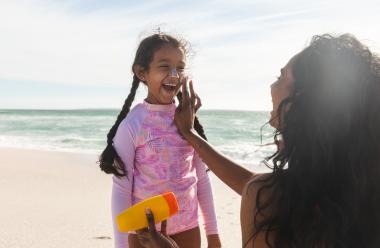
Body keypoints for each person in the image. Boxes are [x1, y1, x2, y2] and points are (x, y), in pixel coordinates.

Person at [137, 34, 380, 248]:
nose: (271, 85)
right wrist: (191, 136)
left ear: (302, 101)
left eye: (281, 76)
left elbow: (263, 191)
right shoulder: (355, 185)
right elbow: (263, 186)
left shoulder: (267, 203)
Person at [98, 33, 221, 248]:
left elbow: (201, 178)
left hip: (188, 228)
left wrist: (212, 233)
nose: (174, 74)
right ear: (142, 72)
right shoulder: (133, 125)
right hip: (145, 233)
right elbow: (121, 189)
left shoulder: (187, 120)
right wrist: (122, 244)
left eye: (180, 68)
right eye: (165, 66)